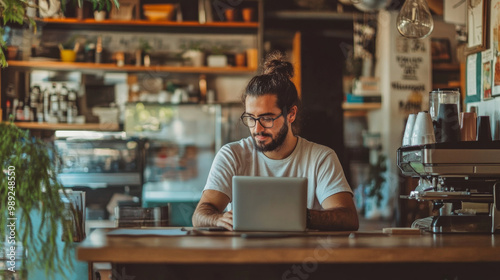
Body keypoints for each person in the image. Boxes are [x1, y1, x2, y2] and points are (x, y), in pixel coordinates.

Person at [192, 51, 359, 231]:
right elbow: (200, 214)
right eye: (251, 118)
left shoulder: (321, 158)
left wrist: (299, 215)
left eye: (267, 118)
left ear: (291, 114)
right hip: (244, 254)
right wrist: (217, 219)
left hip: (301, 254)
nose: (257, 129)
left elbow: (348, 218)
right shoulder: (232, 155)